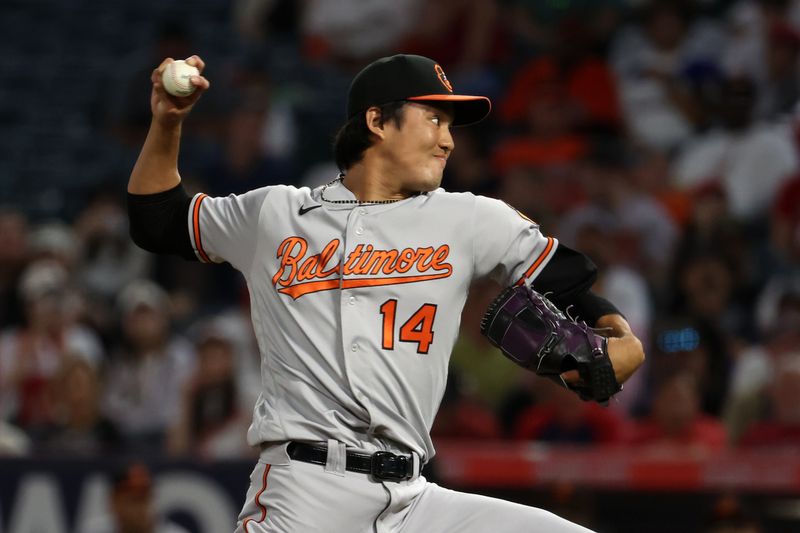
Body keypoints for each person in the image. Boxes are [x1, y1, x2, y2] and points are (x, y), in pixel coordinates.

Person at [127, 53, 645, 532]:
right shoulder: (276, 213)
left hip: (413, 500)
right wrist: (168, 122)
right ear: (377, 122)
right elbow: (158, 221)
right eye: (435, 119)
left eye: (450, 126)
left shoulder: (465, 217)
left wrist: (619, 336)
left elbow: (566, 281)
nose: (449, 140)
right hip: (303, 493)